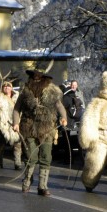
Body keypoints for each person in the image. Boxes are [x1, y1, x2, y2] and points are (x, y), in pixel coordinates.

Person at [13, 66, 67, 196]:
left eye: (38, 77)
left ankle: (42, 186)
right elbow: (16, 109)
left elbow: (60, 106)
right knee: (31, 157)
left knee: (46, 157)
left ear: (44, 79)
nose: (36, 79)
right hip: (29, 127)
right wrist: (16, 123)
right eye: (33, 77)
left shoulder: (52, 92)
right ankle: (26, 182)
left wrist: (64, 118)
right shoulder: (25, 92)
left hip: (47, 129)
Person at [0, 81, 22, 170]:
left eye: (8, 86)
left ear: (11, 88)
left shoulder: (17, 96)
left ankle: (17, 163)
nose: (6, 87)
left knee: (17, 143)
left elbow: (21, 108)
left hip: (14, 122)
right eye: (4, 86)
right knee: (0, 145)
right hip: (2, 123)